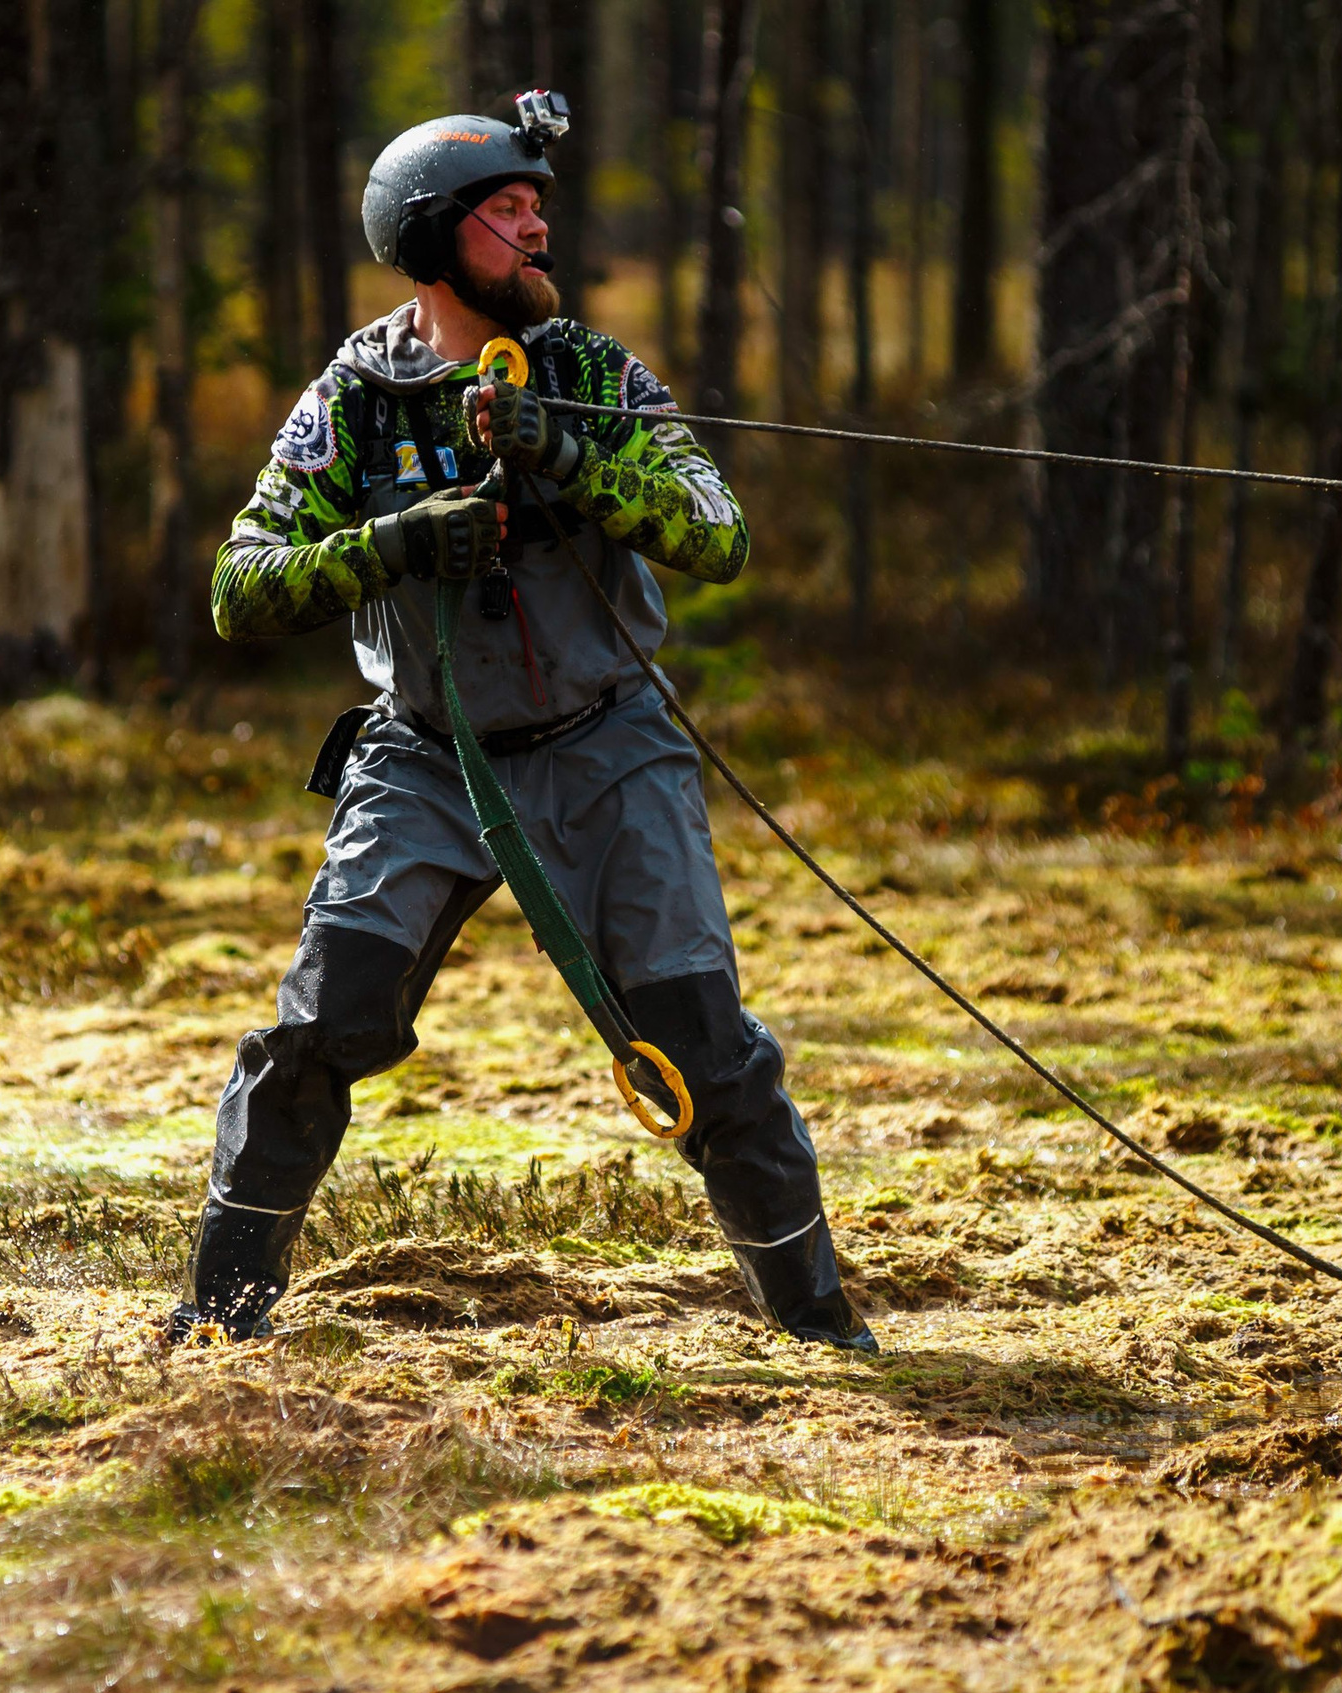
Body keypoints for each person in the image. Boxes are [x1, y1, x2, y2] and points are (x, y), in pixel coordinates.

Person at [167, 106, 876, 1352]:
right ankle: (218, 1323)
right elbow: (240, 586)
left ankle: (823, 1333)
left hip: (612, 749)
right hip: (424, 760)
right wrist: (389, 544)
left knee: (706, 1050)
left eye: (536, 203)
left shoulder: (598, 376)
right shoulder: (355, 398)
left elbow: (720, 535)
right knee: (314, 1031)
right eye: (508, 207)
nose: (540, 223)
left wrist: (570, 457)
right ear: (436, 235)